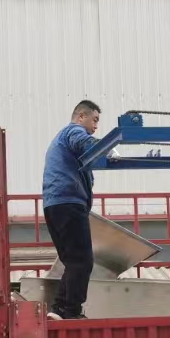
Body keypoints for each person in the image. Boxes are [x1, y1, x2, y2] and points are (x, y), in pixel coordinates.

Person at [42, 100, 102, 320]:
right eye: (94, 120)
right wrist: (106, 149)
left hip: (54, 205)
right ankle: (70, 310)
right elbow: (85, 143)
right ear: (81, 116)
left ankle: (59, 309)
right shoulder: (73, 131)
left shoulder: (61, 141)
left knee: (72, 261)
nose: (96, 126)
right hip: (69, 203)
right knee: (83, 261)